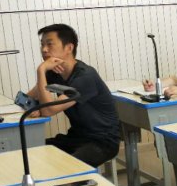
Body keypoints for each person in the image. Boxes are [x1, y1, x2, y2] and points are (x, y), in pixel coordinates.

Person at [26, 24, 120, 168]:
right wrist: (35, 106)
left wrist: (41, 70)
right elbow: (27, 99)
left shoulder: (85, 77)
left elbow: (48, 111)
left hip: (102, 141)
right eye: (42, 44)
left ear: (69, 48)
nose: (44, 49)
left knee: (68, 167)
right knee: (31, 152)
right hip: (76, 137)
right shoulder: (54, 73)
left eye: (49, 44)